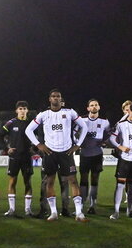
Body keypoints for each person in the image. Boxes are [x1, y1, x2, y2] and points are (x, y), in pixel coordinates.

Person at [26, 89, 89, 222]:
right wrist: (39, 145)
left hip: (66, 152)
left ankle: (79, 213)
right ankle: (53, 212)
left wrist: (78, 144)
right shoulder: (44, 115)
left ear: (61, 99)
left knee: (73, 181)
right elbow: (28, 130)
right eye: (53, 96)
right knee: (50, 181)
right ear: (50, 99)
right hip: (50, 152)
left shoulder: (69, 112)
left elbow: (84, 127)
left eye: (58, 96)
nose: (56, 98)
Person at [109, 102, 132, 219]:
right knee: (120, 185)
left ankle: (129, 210)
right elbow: (112, 138)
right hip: (124, 159)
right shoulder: (121, 125)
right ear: (129, 111)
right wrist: (121, 147)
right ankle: (116, 211)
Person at [0, 100, 34, 217]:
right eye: (20, 109)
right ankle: (11, 209)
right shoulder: (11, 123)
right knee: (12, 181)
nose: (22, 111)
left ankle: (28, 209)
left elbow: (40, 135)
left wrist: (34, 148)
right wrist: (6, 148)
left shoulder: (31, 123)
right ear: (16, 110)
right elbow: (0, 135)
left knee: (27, 182)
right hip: (14, 156)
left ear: (27, 110)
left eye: (24, 109)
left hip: (26, 157)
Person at [78, 99, 110, 215]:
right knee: (83, 179)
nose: (94, 106)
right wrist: (78, 143)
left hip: (97, 154)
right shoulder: (82, 120)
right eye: (91, 105)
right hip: (85, 154)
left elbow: (108, 136)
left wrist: (104, 142)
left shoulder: (105, 122)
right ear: (88, 108)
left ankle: (92, 205)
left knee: (95, 179)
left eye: (96, 104)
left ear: (99, 107)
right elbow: (74, 133)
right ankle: (81, 205)